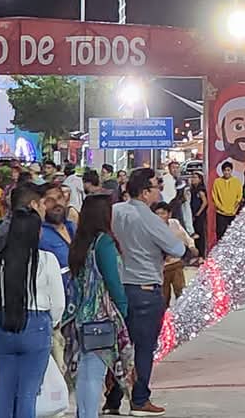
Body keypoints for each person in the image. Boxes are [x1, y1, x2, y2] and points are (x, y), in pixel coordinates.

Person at [104, 167, 188, 416]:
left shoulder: (115, 211)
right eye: (156, 186)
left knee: (121, 346)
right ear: (144, 192)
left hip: (119, 287)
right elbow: (177, 248)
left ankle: (113, 399)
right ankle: (140, 399)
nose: (159, 191)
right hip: (145, 289)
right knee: (143, 347)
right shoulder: (149, 218)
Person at [0, 208, 66, 418]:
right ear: (37, 232)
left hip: (6, 322)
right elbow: (58, 302)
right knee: (28, 391)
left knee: (4, 386)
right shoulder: (47, 260)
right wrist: (53, 322)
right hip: (37, 324)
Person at [64, 193, 133, 418]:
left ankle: (83, 413)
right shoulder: (104, 242)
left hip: (79, 317)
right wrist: (122, 310)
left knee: (84, 373)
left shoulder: (80, 242)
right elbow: (113, 281)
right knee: (94, 373)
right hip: (100, 317)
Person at [150, 200, 197, 307]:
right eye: (157, 214)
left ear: (169, 214)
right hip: (162, 268)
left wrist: (192, 246)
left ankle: (182, 316)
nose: (160, 216)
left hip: (176, 264)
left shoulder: (174, 223)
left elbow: (185, 236)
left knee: (180, 292)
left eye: (162, 213)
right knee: (164, 297)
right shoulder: (153, 229)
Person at [0, 183, 46, 257]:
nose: (45, 208)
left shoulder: (10, 228)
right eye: (43, 203)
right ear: (34, 205)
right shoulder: (14, 233)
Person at [41, 182, 76, 286]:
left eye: (59, 198)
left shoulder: (73, 227)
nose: (57, 203)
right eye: (50, 201)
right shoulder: (40, 234)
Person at [212, 162, 242, 241]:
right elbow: (215, 197)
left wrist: (234, 208)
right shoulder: (217, 182)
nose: (226, 172)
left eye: (228, 170)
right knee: (221, 234)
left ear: (231, 171)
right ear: (222, 171)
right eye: (225, 170)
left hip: (233, 213)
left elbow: (239, 197)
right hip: (221, 213)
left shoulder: (236, 181)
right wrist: (221, 208)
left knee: (233, 234)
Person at [189, 171, 208, 261]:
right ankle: (195, 255)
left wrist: (198, 213)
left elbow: (205, 202)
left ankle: (201, 255)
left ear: (200, 179)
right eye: (192, 177)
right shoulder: (192, 190)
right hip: (193, 215)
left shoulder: (200, 190)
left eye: (195, 177)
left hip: (199, 216)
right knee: (194, 234)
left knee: (200, 235)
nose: (193, 179)